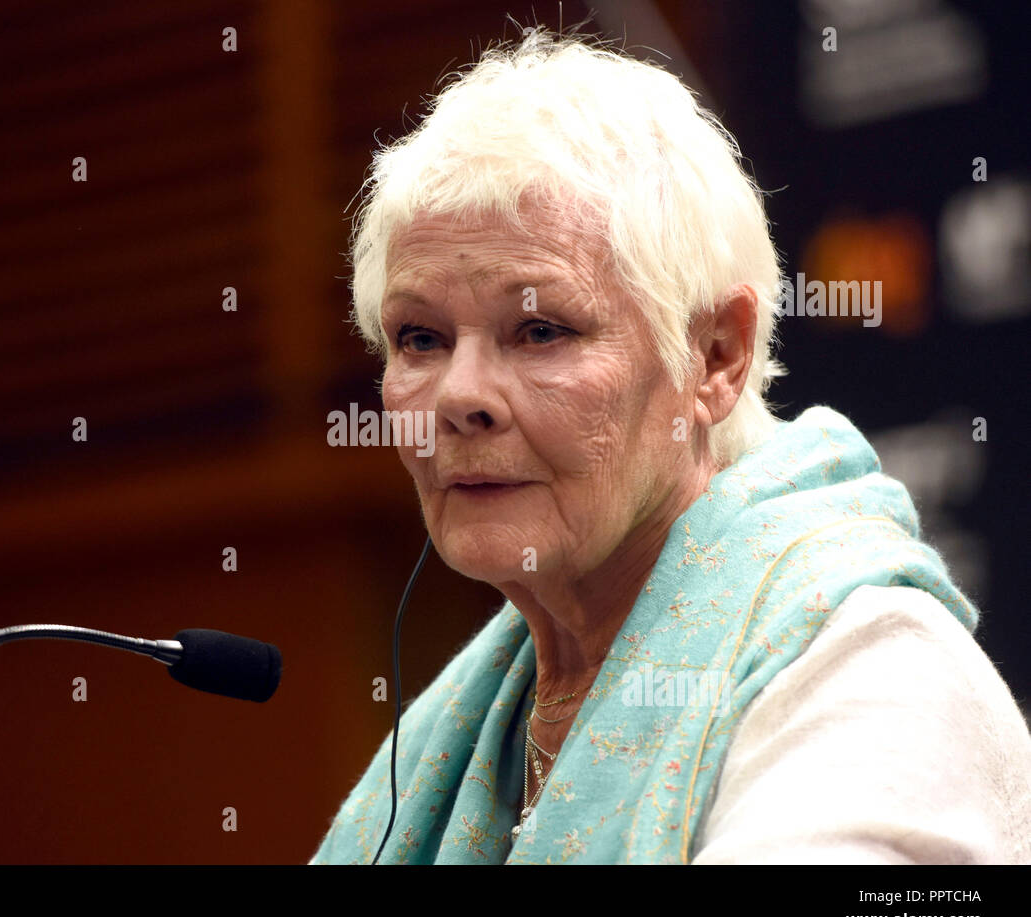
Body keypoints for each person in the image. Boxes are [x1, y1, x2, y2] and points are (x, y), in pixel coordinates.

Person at [309, 29, 1031, 864]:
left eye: (541, 329)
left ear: (716, 356)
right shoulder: (464, 726)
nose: (461, 396)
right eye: (420, 338)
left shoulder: (874, 674)